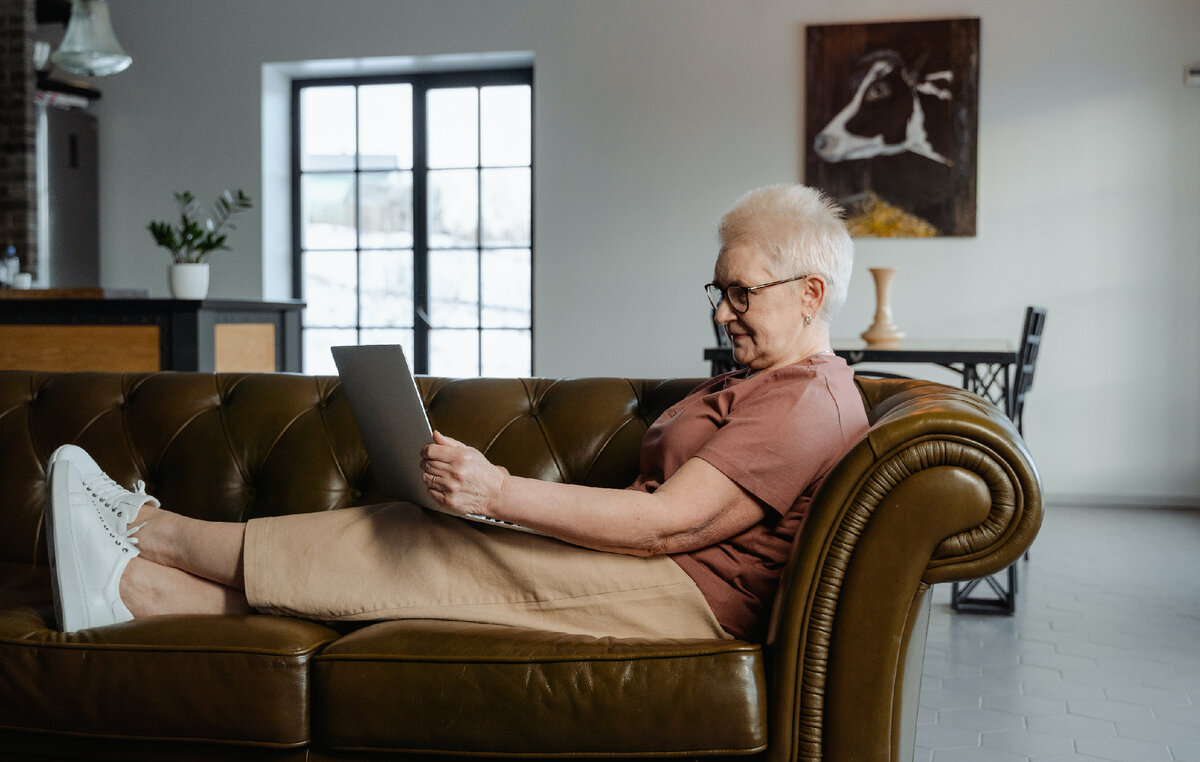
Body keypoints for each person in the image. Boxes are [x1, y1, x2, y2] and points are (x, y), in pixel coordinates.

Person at [44, 184, 869, 642]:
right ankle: (133, 593)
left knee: (409, 538)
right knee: (416, 543)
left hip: (678, 596)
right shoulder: (755, 382)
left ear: (811, 295)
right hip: (651, 574)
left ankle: (150, 532)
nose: (722, 311)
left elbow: (670, 527)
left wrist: (498, 492)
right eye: (716, 291)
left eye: (740, 292)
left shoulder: (808, 400)